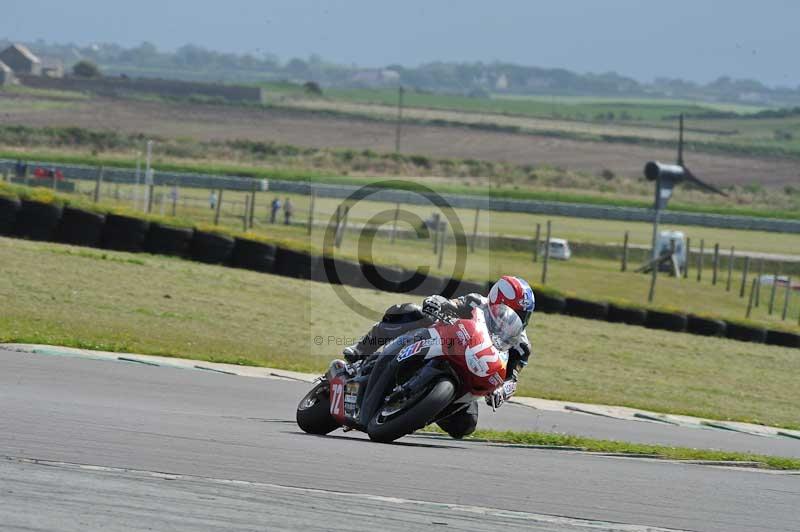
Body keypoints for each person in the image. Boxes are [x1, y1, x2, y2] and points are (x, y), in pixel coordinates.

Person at [343, 275, 534, 439]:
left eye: (523, 315)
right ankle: (361, 351)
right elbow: (452, 304)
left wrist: (502, 391)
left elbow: (512, 378)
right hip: (447, 345)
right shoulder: (477, 302)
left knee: (466, 426)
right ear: (497, 300)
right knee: (412, 312)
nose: (518, 319)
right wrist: (438, 303)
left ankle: (414, 410)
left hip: (471, 374)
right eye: (515, 311)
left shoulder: (521, 345)